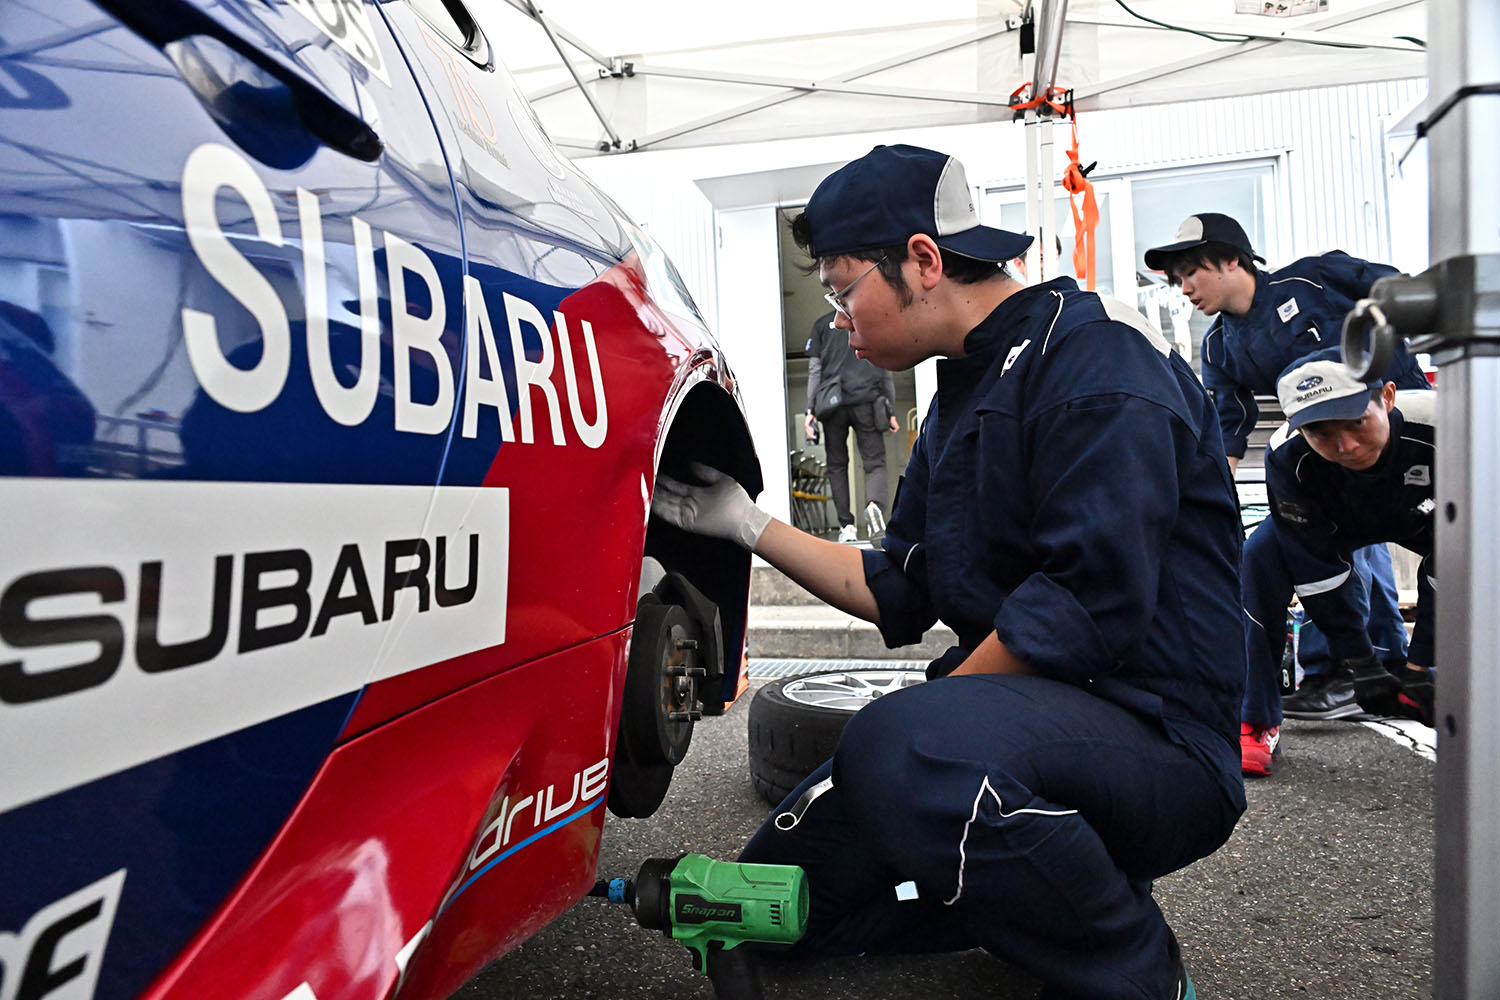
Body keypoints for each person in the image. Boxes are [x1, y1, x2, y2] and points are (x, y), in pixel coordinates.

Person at [652, 143, 1245, 999]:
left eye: (843, 288)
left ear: (923, 262)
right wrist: (745, 524)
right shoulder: (963, 394)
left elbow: (1084, 608)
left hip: (1158, 744)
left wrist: (918, 737)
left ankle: (1135, 971)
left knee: (900, 749)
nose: (840, 318)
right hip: (1033, 727)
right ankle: (1044, 885)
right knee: (789, 891)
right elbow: (895, 585)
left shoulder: (1094, 360)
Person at [1145, 214, 1427, 721]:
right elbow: (1230, 425)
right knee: (1320, 543)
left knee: (1374, 549)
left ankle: (1370, 668)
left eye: (1192, 273)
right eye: (1177, 280)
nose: (1185, 288)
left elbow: (1392, 287)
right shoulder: (1217, 345)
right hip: (1324, 451)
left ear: (1232, 258)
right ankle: (1360, 668)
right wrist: (1210, 495)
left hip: (1391, 425)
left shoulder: (1312, 279)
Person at [1240, 348, 1436, 773]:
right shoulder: (1287, 456)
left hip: (1427, 517)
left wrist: (1420, 664)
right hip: (1337, 523)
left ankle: (1462, 696)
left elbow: (1458, 563)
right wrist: (1360, 663)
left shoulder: (1446, 426)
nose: (1345, 445)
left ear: (1386, 396)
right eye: (1320, 432)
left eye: (1356, 423)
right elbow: (1318, 572)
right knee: (1259, 556)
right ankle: (1255, 719)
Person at [803, 309, 900, 542]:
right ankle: (874, 506)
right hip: (867, 399)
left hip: (831, 403)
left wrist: (810, 410)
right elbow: (884, 368)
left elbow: (815, 370)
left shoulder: (822, 324)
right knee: (874, 462)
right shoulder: (868, 318)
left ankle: (846, 527)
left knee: (837, 465)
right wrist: (891, 411)